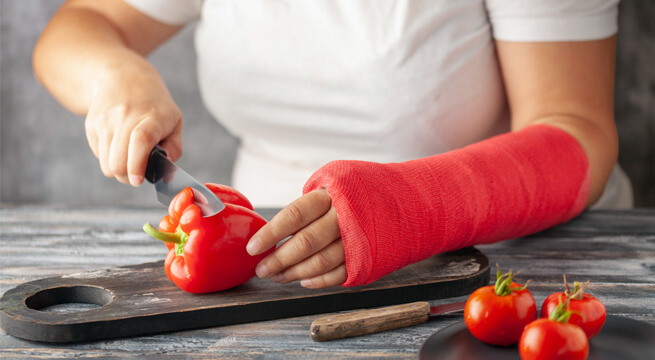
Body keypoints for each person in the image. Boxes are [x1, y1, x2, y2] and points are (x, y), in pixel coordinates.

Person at [34, 0, 632, 290]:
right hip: (265, 270)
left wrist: (408, 206)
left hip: (502, 263)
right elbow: (81, 25)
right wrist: (114, 75)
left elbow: (577, 128)